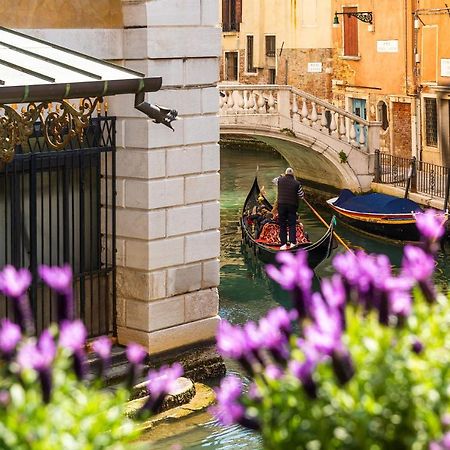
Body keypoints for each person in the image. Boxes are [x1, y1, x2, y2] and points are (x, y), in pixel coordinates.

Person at [272, 167, 305, 250]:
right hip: (292, 206)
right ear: (293, 174)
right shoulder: (297, 183)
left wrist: (281, 176)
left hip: (282, 205)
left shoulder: (279, 180)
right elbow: (301, 195)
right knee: (292, 224)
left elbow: (274, 180)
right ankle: (293, 243)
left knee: (282, 224)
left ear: (285, 173)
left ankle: (283, 244)